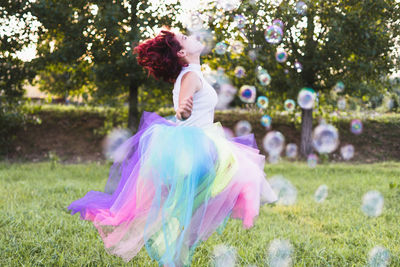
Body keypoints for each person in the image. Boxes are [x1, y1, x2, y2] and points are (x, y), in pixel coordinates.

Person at [67, 29, 278, 267]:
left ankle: (176, 255)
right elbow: (182, 108)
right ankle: (175, 256)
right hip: (195, 147)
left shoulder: (193, 73)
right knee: (193, 211)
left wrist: (185, 111)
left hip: (200, 145)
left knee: (190, 212)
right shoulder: (190, 76)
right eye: (185, 38)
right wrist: (182, 111)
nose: (191, 36)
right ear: (181, 52)